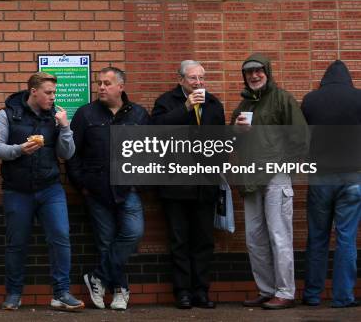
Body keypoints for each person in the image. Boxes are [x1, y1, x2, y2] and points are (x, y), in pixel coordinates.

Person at [0, 72, 84, 312]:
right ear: (33, 91)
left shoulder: (56, 116)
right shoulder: (8, 113)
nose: (53, 97)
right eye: (48, 93)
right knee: (16, 243)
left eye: (54, 93)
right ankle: (13, 294)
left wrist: (65, 127)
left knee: (60, 237)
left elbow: (67, 153)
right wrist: (20, 149)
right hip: (17, 190)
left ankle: (61, 293)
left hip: (50, 188)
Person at [66, 67, 149, 311]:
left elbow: (150, 150)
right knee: (105, 241)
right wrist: (82, 184)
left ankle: (98, 277)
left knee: (133, 234)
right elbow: (72, 154)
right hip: (96, 190)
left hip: (128, 189)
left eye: (107, 83)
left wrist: (139, 181)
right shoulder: (85, 114)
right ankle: (121, 290)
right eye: (99, 83)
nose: (101, 87)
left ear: (121, 87)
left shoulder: (139, 115)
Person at [232, 54, 307, 310]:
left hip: (275, 176)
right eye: (249, 73)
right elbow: (234, 143)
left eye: (258, 71)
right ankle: (266, 290)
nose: (254, 76)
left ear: (267, 72)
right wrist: (237, 133)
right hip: (250, 179)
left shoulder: (282, 99)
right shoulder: (243, 107)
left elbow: (301, 137)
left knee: (279, 235)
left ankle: (285, 292)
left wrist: (285, 165)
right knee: (254, 238)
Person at [150, 60, 225, 309]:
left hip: (205, 184)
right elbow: (155, 132)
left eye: (202, 78)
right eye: (193, 78)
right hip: (175, 184)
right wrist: (184, 108)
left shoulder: (214, 104)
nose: (199, 83)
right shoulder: (166, 102)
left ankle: (201, 291)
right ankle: (182, 292)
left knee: (203, 240)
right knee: (179, 241)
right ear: (181, 79)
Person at [300, 60, 361, 308]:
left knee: (317, 237)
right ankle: (343, 297)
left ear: (324, 79)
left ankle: (312, 295)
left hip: (320, 176)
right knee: (346, 239)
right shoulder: (359, 98)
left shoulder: (311, 100)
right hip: (353, 176)